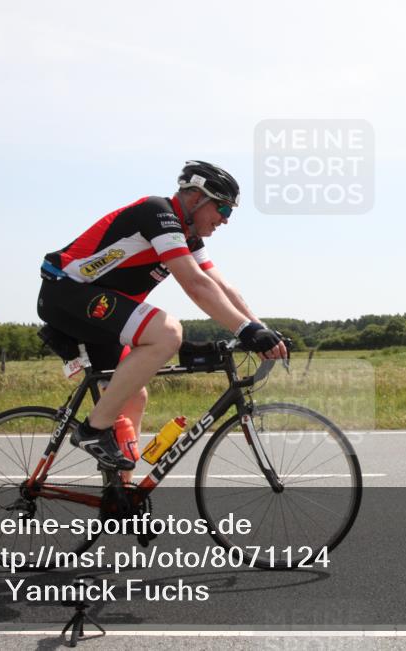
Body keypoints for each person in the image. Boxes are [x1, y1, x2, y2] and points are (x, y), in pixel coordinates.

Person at [37, 160, 286, 481]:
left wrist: (261, 328)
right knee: (167, 333)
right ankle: (92, 430)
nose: (225, 220)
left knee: (133, 397)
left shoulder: (187, 237)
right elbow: (195, 284)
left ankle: (120, 495)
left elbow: (221, 286)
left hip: (98, 312)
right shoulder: (158, 214)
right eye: (223, 209)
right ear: (196, 197)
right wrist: (245, 330)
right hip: (67, 292)